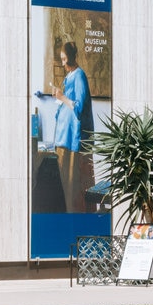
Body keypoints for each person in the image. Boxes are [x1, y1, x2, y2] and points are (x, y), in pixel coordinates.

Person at [52, 41, 95, 214]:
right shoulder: (68, 77)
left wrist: (62, 98)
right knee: (66, 189)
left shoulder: (79, 76)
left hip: (74, 141)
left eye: (64, 60)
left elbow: (78, 107)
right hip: (63, 140)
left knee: (75, 188)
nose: (62, 64)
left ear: (70, 57)